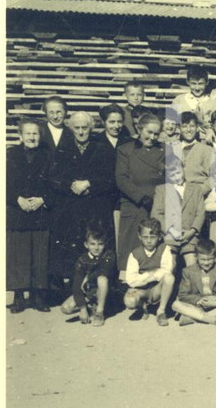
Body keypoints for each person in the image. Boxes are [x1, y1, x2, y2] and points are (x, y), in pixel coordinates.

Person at [46, 111, 117, 290]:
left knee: (97, 244)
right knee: (73, 247)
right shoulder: (62, 148)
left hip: (95, 207)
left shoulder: (102, 147)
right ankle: (74, 290)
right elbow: (53, 177)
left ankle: (98, 287)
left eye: (84, 128)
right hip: (71, 207)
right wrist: (71, 185)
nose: (80, 132)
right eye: (76, 128)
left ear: (91, 128)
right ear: (71, 128)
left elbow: (110, 178)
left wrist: (89, 183)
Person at [7, 118, 54, 313]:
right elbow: (3, 182)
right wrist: (17, 199)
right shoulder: (11, 155)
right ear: (20, 136)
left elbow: (55, 182)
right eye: (28, 133)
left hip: (40, 212)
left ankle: (39, 296)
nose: (32, 137)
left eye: (35, 133)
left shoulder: (48, 156)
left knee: (40, 255)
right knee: (19, 255)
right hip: (18, 211)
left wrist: (43, 199)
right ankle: (19, 296)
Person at [115, 111, 166, 273]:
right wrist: (142, 198)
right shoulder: (126, 150)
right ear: (139, 129)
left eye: (156, 134)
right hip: (134, 205)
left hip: (157, 206)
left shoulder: (165, 151)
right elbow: (121, 179)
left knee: (154, 249)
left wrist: (158, 201)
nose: (152, 137)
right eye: (149, 132)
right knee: (130, 248)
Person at [150, 158, 207, 268]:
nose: (176, 175)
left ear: (183, 168)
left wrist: (192, 231)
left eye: (178, 171)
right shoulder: (161, 190)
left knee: (192, 264)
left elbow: (200, 213)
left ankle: (191, 284)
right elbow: (156, 214)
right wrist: (171, 230)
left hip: (189, 235)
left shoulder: (196, 189)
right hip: (169, 235)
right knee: (170, 264)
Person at [122, 217, 175, 326]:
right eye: (145, 237)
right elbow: (131, 280)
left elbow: (167, 270)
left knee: (169, 278)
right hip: (141, 290)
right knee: (129, 301)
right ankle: (142, 306)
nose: (149, 240)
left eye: (153, 237)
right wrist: (151, 275)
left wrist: (147, 277)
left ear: (160, 237)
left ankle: (161, 311)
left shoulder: (164, 249)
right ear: (139, 237)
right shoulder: (135, 254)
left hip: (157, 289)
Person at [59, 225, 116, 326]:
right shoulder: (82, 260)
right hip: (89, 292)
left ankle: (99, 313)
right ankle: (89, 309)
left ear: (105, 244)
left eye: (100, 244)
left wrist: (88, 277)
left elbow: (104, 271)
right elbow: (76, 286)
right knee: (66, 308)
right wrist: (82, 309)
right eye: (92, 244)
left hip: (104, 291)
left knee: (102, 279)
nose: (96, 248)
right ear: (86, 244)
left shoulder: (109, 255)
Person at [172, 239, 216, 326]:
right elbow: (183, 295)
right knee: (175, 304)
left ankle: (193, 318)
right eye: (203, 259)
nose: (206, 263)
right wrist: (200, 300)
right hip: (197, 306)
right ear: (196, 257)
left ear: (215, 256)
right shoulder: (188, 271)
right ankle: (211, 319)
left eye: (210, 259)